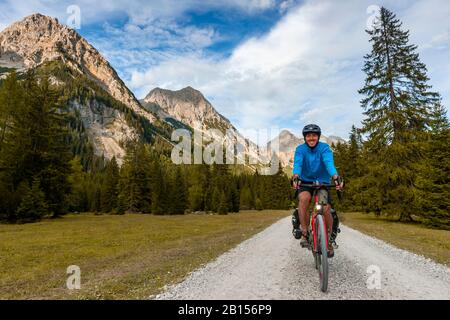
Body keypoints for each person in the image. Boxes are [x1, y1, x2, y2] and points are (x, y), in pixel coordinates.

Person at [291, 124, 343, 257]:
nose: (311, 138)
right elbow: (298, 163)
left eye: (314, 135)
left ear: (318, 137)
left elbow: (328, 163)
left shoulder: (324, 148)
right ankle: (304, 232)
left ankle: (330, 239)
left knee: (324, 208)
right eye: (308, 136)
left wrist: (335, 176)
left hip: (322, 182)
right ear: (305, 137)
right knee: (304, 199)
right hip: (305, 182)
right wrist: (296, 175)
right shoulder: (300, 149)